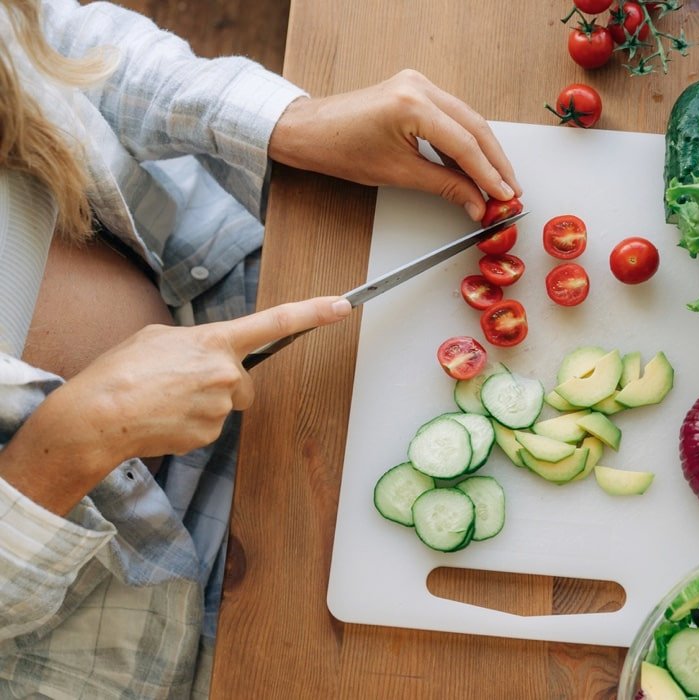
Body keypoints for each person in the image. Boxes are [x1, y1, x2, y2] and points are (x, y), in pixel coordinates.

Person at [0, 0, 522, 697]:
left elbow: (50, 38)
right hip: (148, 622)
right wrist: (66, 446)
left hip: (238, 295)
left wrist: (287, 121)